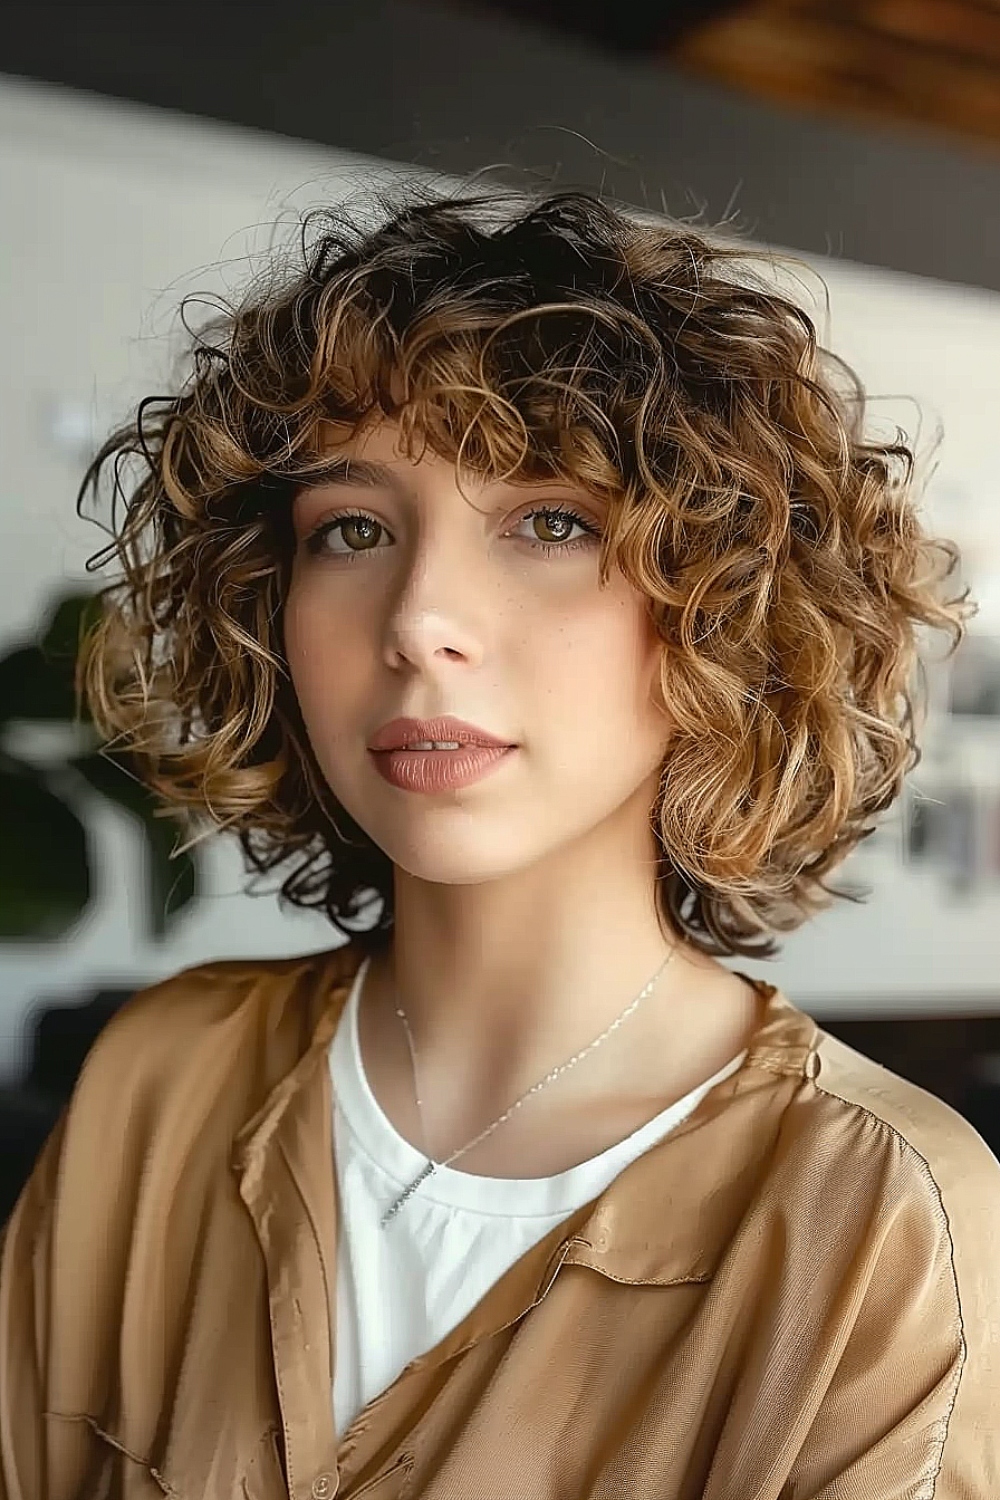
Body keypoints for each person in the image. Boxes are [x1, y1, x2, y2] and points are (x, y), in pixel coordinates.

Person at [1, 180, 997, 1500]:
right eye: (352, 530)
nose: (418, 619)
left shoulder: (879, 1214)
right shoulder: (164, 1081)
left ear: (722, 608)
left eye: (550, 523)